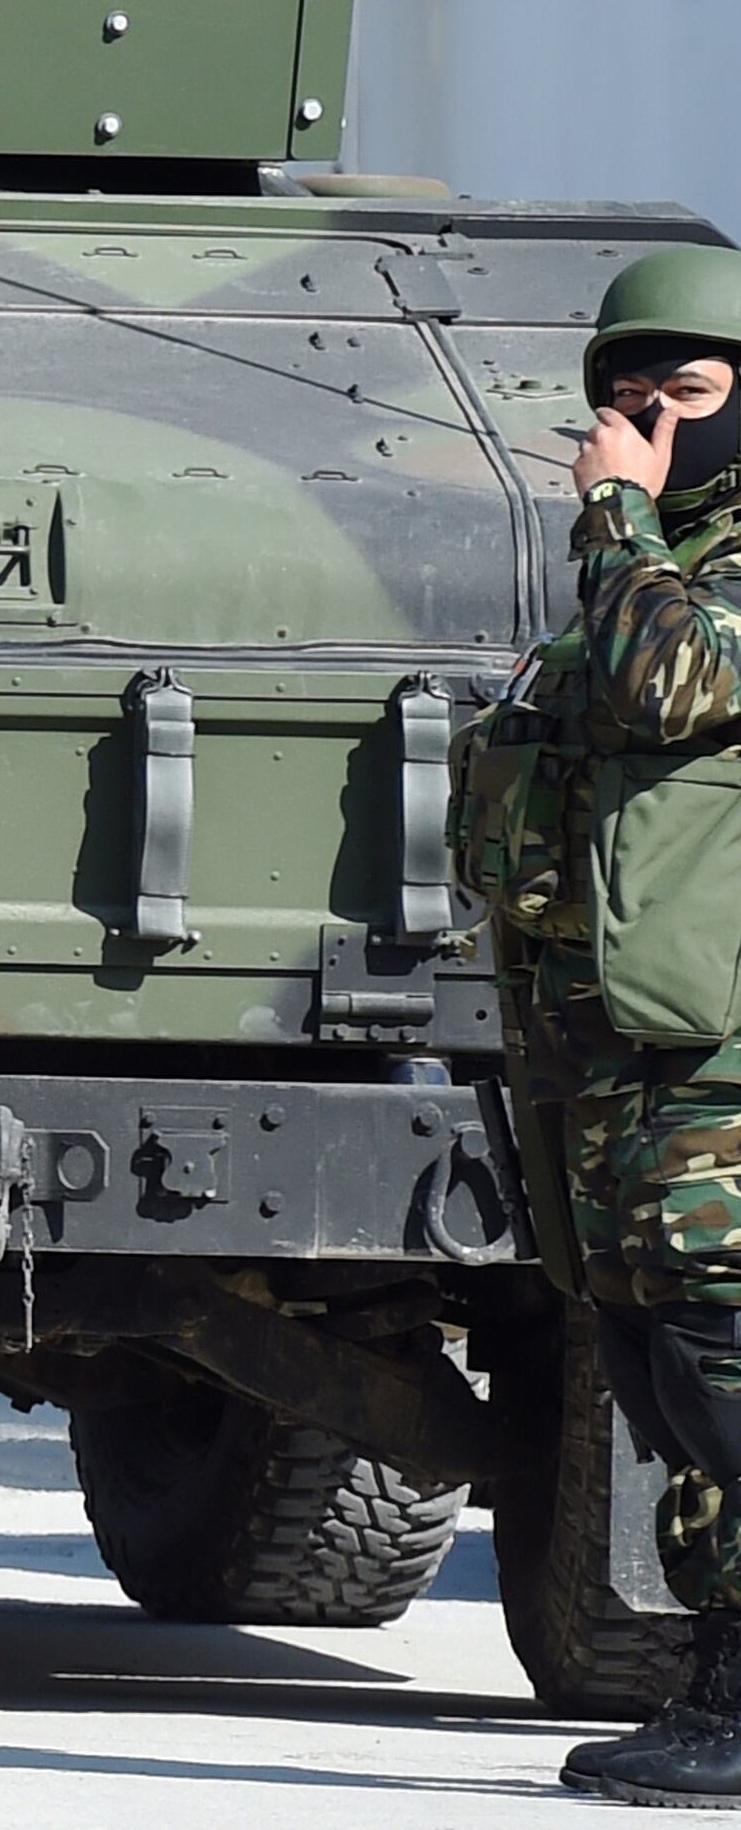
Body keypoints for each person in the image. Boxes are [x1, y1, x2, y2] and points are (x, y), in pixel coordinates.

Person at [459, 246, 741, 1807]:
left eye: (689, 397)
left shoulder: (674, 576)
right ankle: (725, 1688)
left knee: (724, 1362)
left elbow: (675, 681)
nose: (646, 425)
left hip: (723, 1064)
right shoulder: (649, 572)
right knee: (662, 1377)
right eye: (627, 402)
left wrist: (616, 515)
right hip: (617, 1060)